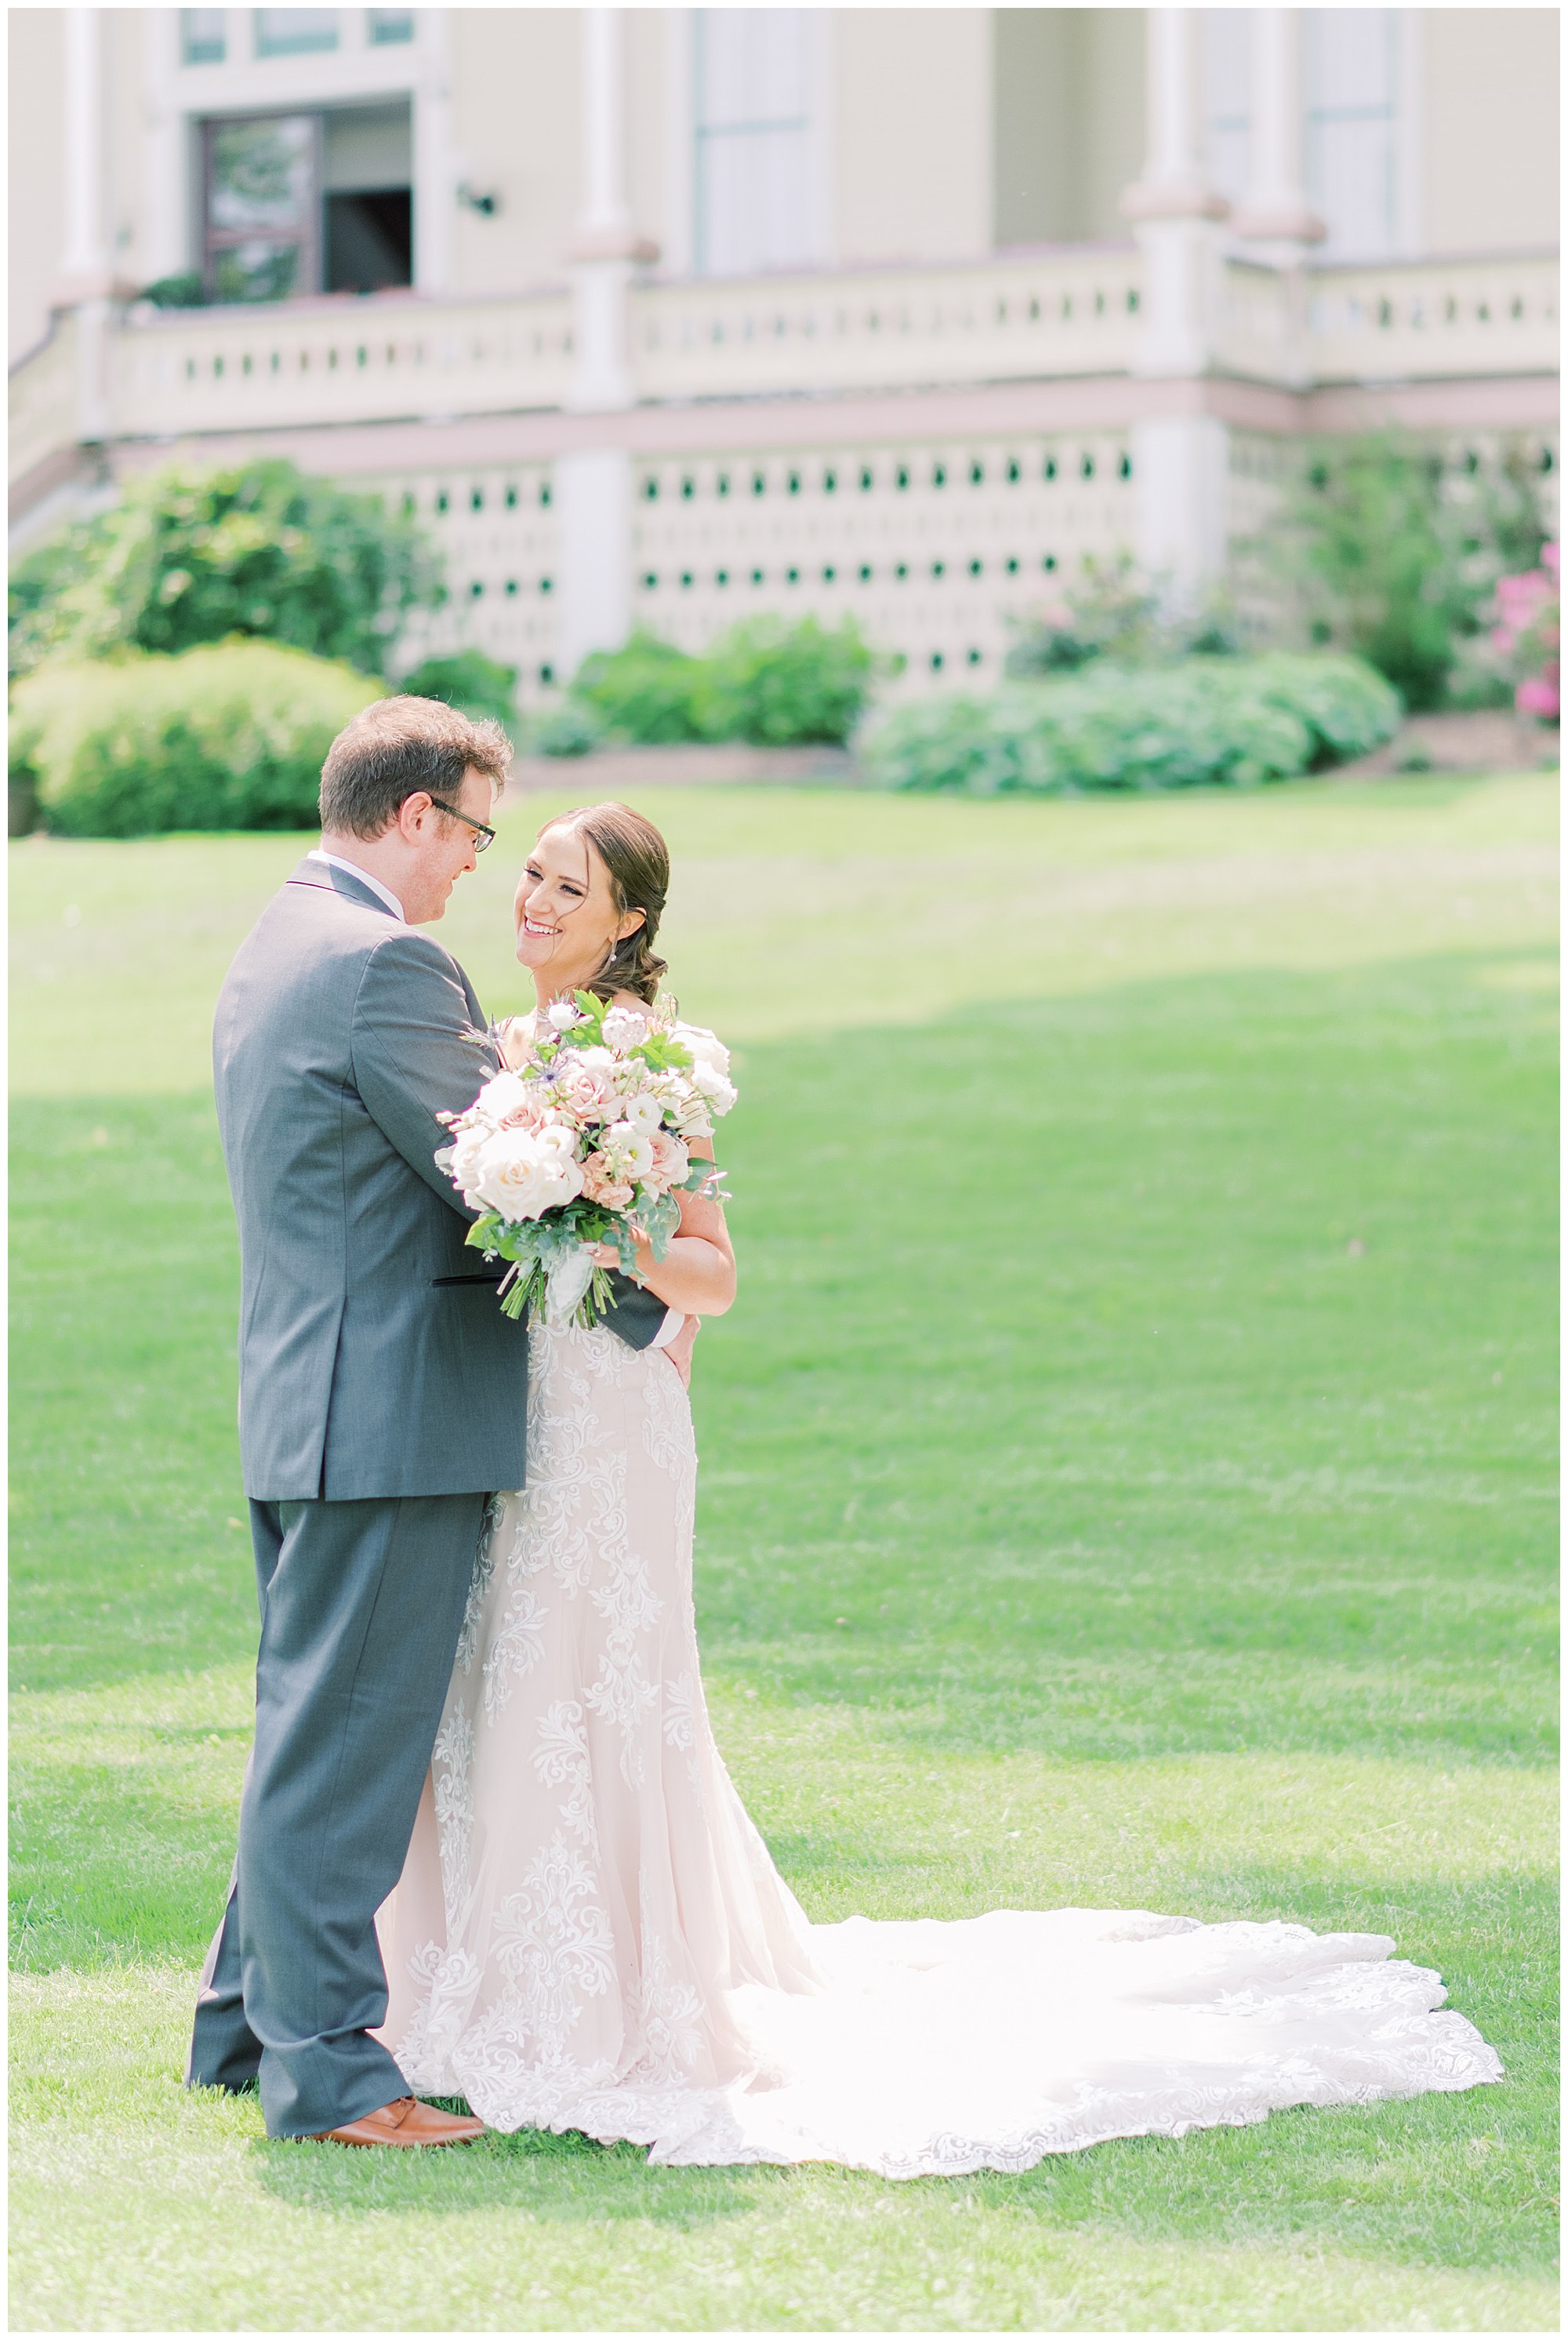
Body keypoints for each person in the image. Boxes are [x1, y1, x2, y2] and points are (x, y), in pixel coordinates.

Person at [375, 801, 1503, 2176]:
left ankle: (621, 1986)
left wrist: (597, 1215)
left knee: (600, 1674)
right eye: (535, 874)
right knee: (507, 1666)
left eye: (574, 886)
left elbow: (716, 1275)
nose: (538, 900)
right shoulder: (496, 1051)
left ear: (630, 924)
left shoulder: (646, 1064)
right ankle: (476, 1959)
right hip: (519, 1413)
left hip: (612, 1420)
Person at [187, 705, 674, 2149]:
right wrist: (653, 1316)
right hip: (387, 1412)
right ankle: (333, 2071)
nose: (477, 869)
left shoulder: (277, 939)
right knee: (347, 1754)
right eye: (471, 833)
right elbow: (501, 1171)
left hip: (304, 1397)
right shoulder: (388, 960)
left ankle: (238, 2027)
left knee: (305, 1733)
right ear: (413, 818)